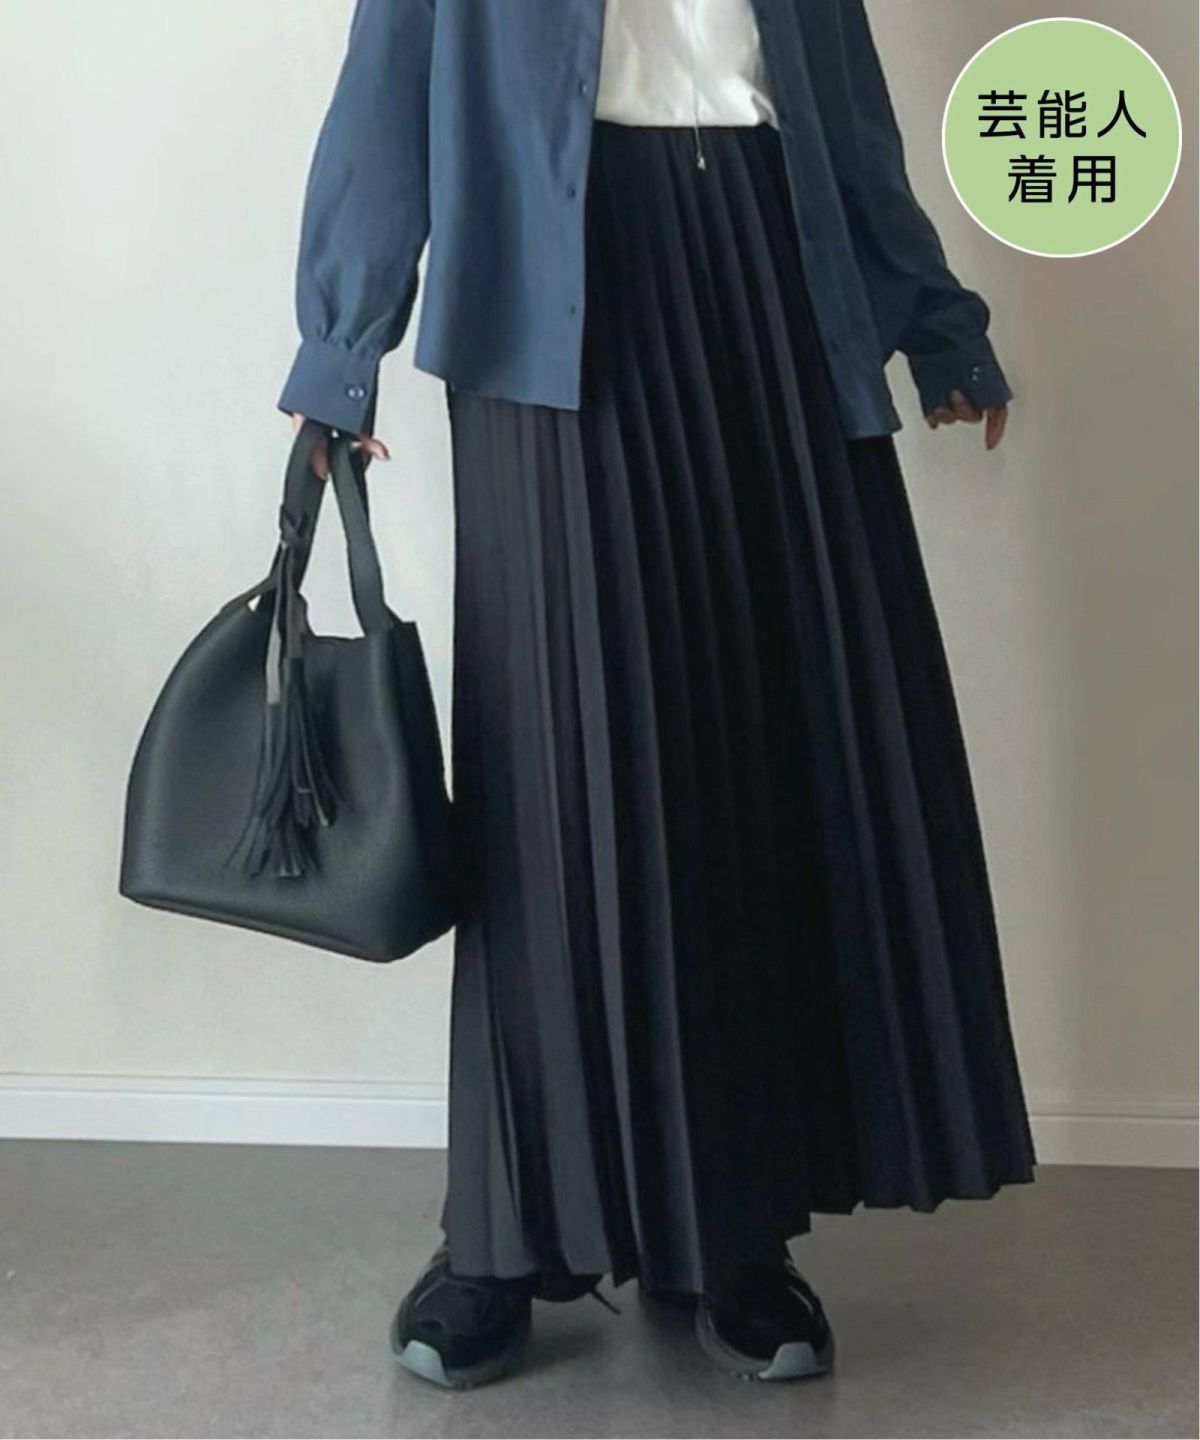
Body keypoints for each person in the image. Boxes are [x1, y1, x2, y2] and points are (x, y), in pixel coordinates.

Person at [280, 0, 1035, 1388]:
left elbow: (844, 103)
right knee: (558, 777)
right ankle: (502, 1240)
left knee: (761, 756)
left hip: (773, 265)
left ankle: (732, 1233)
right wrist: (342, 346)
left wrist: (935, 321)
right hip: (551, 289)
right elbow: (388, 93)